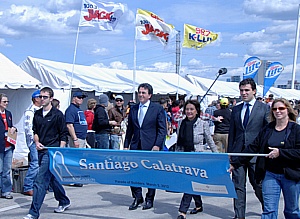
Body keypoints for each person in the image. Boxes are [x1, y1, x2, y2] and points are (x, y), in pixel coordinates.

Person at [229, 98, 300, 218]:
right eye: (275, 109)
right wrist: (235, 163)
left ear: (288, 110)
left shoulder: (296, 129)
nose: (278, 111)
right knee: (269, 210)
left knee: (291, 210)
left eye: (281, 108)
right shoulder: (268, 129)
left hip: (290, 175)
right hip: (270, 174)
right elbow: (253, 147)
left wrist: (280, 153)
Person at [23, 87, 70, 219]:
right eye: (40, 96)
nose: (41, 99)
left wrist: (60, 151)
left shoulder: (57, 114)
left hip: (53, 151)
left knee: (40, 180)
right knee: (53, 178)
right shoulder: (37, 114)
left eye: (44, 97)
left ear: (50, 98)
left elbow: (63, 134)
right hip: (41, 150)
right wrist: (36, 142)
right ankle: (64, 200)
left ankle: (33, 212)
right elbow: (35, 132)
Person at [228, 78, 270, 219]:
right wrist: (230, 153)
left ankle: (268, 209)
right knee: (238, 187)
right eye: (241, 90)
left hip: (255, 154)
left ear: (254, 91)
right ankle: (239, 216)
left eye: (247, 90)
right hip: (238, 154)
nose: (244, 93)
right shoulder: (236, 109)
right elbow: (232, 133)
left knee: (257, 185)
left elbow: (267, 131)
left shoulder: (264, 108)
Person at [124, 83, 166, 211]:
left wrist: (157, 145)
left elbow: (162, 129)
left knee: (150, 174)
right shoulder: (134, 108)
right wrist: (126, 145)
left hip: (151, 146)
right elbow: (130, 129)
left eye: (143, 93)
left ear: (150, 95)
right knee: (133, 173)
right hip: (136, 145)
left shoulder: (157, 109)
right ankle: (137, 197)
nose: (141, 95)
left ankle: (149, 199)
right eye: (139, 92)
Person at [176, 99, 217, 219]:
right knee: (191, 183)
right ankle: (198, 205)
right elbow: (179, 142)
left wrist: (217, 156)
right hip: (184, 156)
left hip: (197, 157)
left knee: (189, 183)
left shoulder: (202, 124)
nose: (189, 111)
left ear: (197, 111)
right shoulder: (180, 123)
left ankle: (182, 211)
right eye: (187, 109)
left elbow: (210, 141)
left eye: (191, 109)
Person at [22, 90, 42, 196]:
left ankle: (37, 185)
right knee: (35, 163)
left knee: (41, 164)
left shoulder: (41, 110)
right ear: (36, 99)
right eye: (40, 97)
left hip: (42, 141)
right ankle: (28, 186)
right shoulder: (30, 111)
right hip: (34, 141)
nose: (42, 99)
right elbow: (28, 128)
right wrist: (34, 141)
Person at [0, 93, 17, 199]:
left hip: (8, 144)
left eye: (7, 101)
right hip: (0, 145)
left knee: (7, 170)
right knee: (0, 169)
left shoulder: (9, 114)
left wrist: (13, 129)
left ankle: (6, 190)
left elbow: (11, 126)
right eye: (4, 101)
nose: (6, 103)